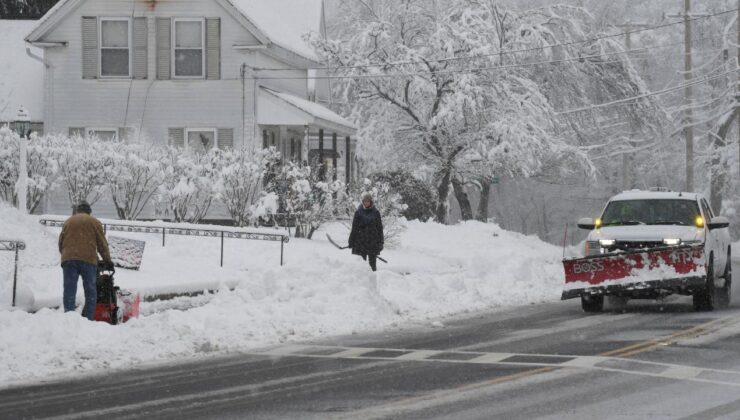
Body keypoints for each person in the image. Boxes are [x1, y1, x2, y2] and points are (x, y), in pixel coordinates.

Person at [58, 201, 112, 320]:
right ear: (89, 212)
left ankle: (68, 318)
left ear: (78, 210)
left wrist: (68, 255)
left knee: (69, 289)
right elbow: (102, 244)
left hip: (69, 259)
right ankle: (88, 319)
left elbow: (61, 242)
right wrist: (107, 260)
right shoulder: (94, 222)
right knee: (90, 290)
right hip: (88, 260)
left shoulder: (68, 221)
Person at [348, 193, 384, 271]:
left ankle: (373, 281)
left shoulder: (376, 213)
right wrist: (351, 240)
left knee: (372, 266)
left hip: (372, 242)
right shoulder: (358, 212)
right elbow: (354, 228)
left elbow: (380, 228)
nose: (366, 203)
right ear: (362, 202)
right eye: (364, 201)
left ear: (371, 202)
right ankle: (361, 282)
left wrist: (381, 242)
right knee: (361, 266)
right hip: (360, 242)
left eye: (368, 201)